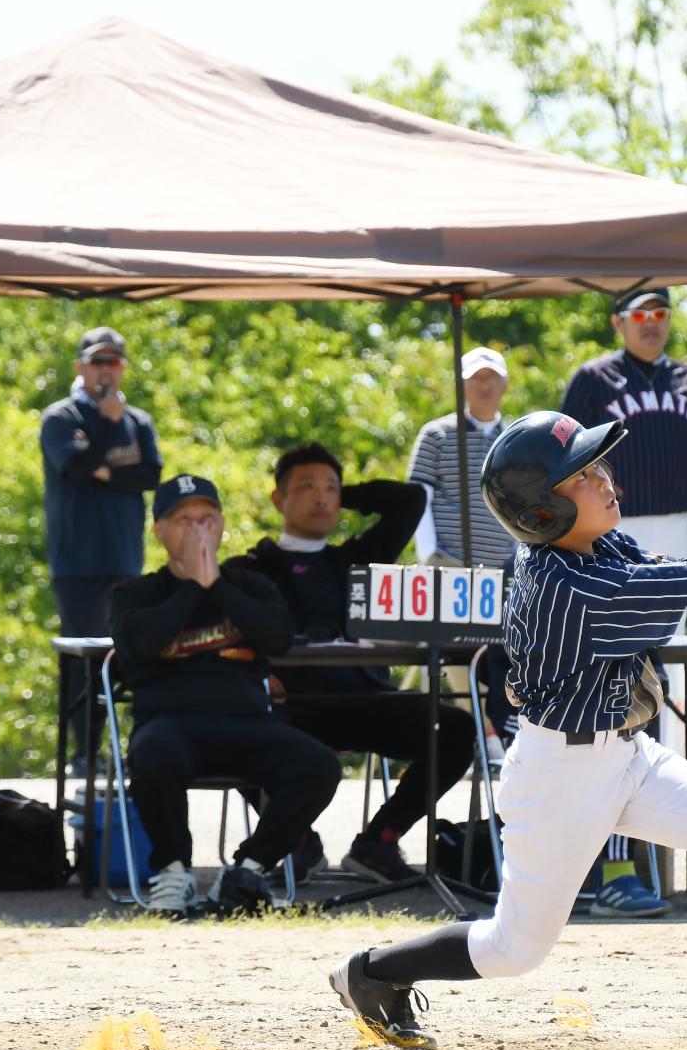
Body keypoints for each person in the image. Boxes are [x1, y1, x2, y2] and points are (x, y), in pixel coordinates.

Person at [330, 411, 687, 1050]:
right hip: (560, 777)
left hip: (627, 755)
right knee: (514, 949)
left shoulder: (600, 548)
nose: (606, 480)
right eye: (584, 475)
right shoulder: (567, 585)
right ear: (541, 510)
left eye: (598, 467)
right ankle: (372, 971)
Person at [238, 443, 477, 883]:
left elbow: (410, 501)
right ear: (278, 499)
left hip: (365, 700)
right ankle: (293, 840)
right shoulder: (247, 570)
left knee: (457, 728)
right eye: (306, 488)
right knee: (231, 724)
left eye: (331, 488)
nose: (321, 497)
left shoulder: (352, 562)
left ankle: (378, 842)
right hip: (292, 713)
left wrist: (337, 494)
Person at [560, 287, 687, 917]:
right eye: (641, 317)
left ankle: (652, 832)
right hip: (609, 529)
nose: (652, 326)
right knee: (618, 669)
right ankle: (613, 856)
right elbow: (566, 450)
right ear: (618, 323)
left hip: (673, 525)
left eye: (661, 316)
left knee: (654, 676)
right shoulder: (593, 377)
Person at [107, 475, 341, 914]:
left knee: (319, 766)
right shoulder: (136, 594)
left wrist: (217, 586)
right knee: (151, 752)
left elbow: (278, 638)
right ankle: (175, 872)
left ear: (221, 527)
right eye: (185, 521)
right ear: (159, 530)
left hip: (247, 724)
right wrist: (194, 585)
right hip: (171, 726)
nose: (198, 531)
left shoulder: (248, 585)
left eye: (207, 520)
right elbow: (137, 644)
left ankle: (248, 869)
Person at [41, 327, 163, 774]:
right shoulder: (62, 417)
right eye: (97, 361)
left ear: (123, 367)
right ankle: (83, 755)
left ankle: (126, 750)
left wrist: (104, 467)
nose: (105, 370)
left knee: (127, 656)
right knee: (83, 659)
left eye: (113, 362)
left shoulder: (139, 421)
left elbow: (149, 477)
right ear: (81, 367)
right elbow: (77, 466)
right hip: (77, 562)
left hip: (125, 560)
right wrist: (109, 429)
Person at [408, 346, 517, 749]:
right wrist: (431, 556)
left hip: (507, 568)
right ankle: (483, 735)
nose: (484, 386)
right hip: (450, 564)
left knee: (505, 651)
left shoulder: (516, 437)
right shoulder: (437, 434)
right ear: (463, 385)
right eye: (476, 378)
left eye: (491, 378)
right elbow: (418, 495)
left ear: (504, 384)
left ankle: (499, 730)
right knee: (457, 652)